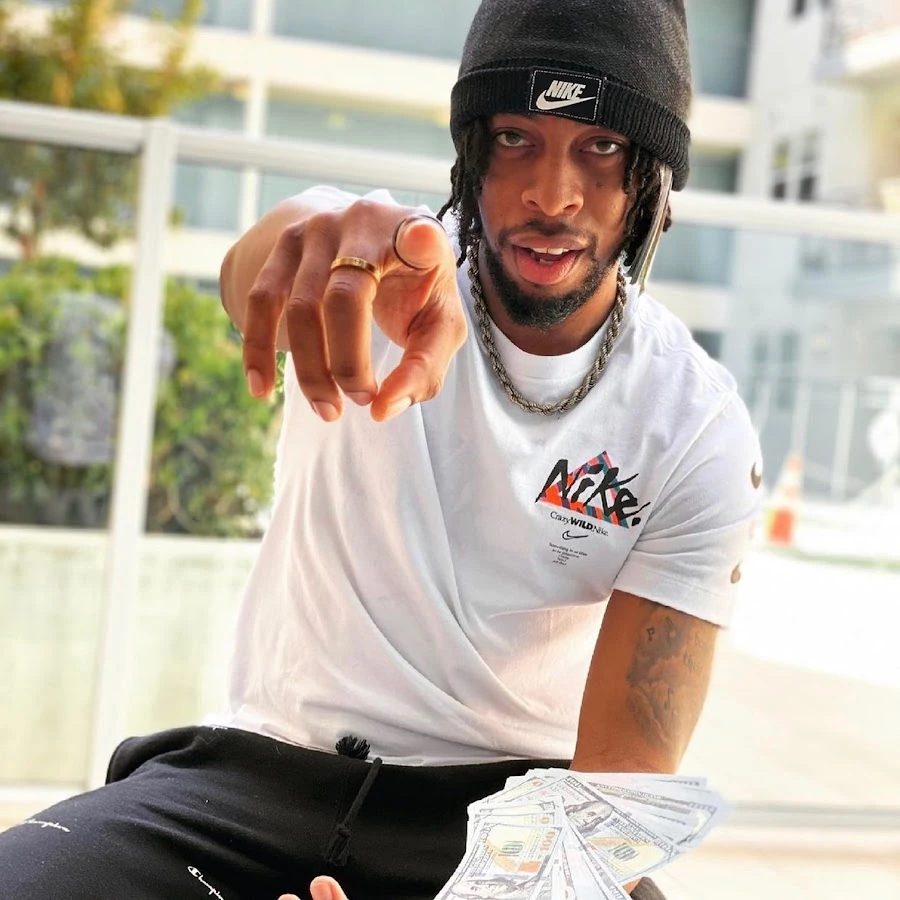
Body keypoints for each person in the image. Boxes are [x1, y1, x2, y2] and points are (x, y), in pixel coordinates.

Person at [0, 2, 762, 898]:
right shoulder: (372, 277)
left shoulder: (695, 425)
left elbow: (614, 793)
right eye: (515, 138)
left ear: (654, 182)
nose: (552, 195)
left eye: (601, 147)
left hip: (513, 824)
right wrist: (318, 238)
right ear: (470, 151)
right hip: (259, 776)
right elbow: (267, 262)